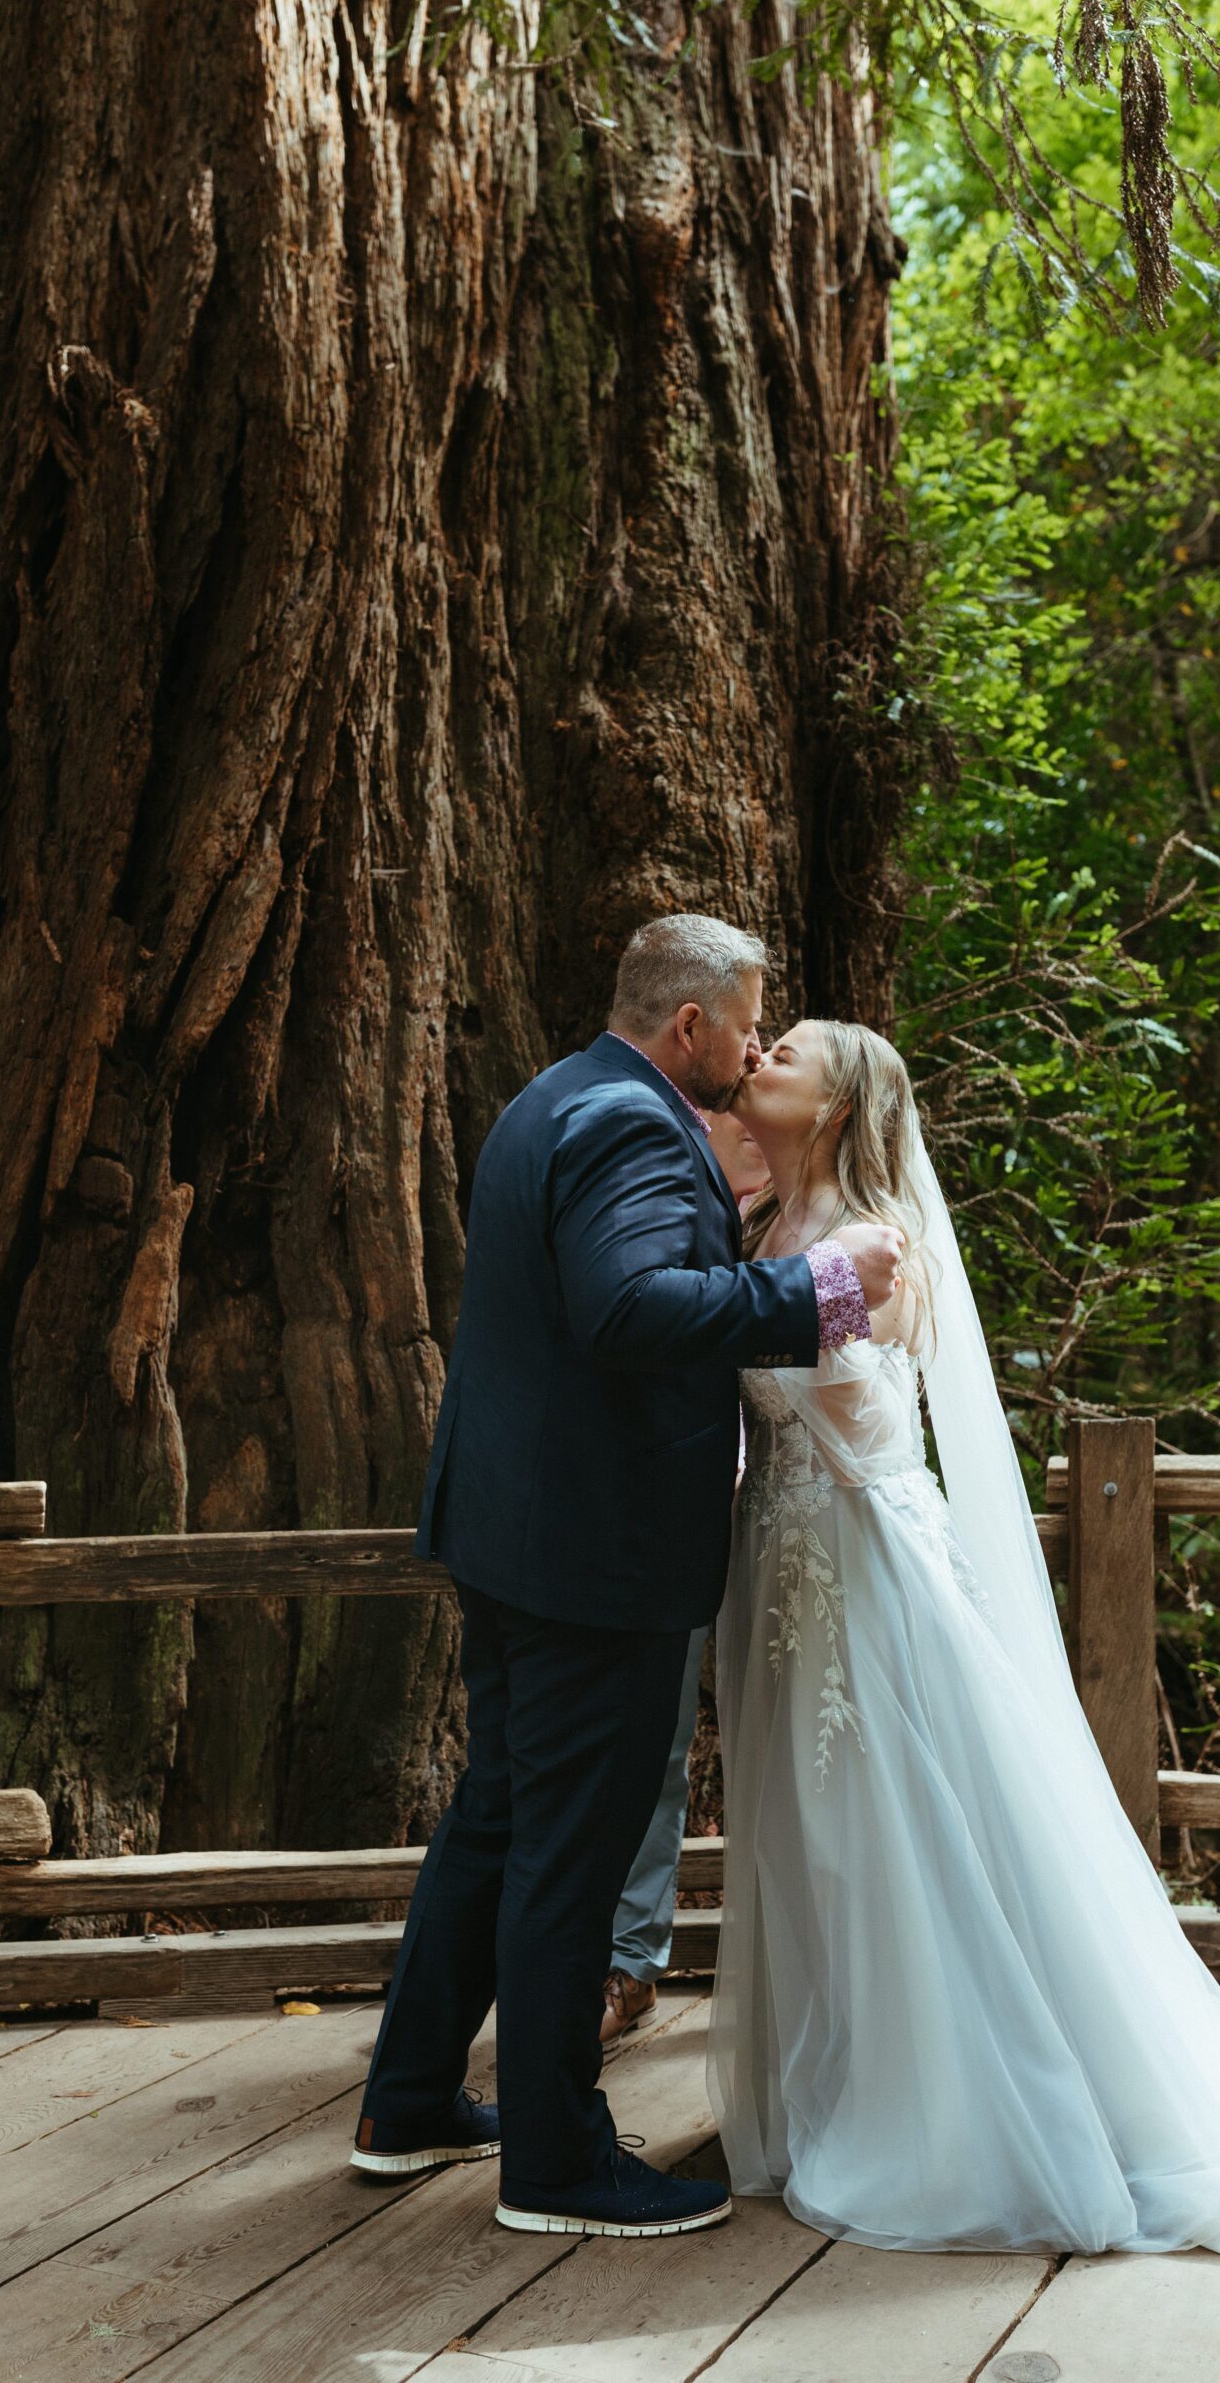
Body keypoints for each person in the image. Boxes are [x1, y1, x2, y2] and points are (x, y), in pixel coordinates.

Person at [711, 1016, 1220, 2300]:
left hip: (868, 1577)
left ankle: (943, 2114)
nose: (765, 1052)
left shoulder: (877, 1248)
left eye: (794, 1049)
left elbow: (868, 1416)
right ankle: (835, 2079)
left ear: (836, 1105)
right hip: (785, 1571)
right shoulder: (767, 1226)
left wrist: (776, 1353)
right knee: (809, 1830)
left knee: (885, 1830)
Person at [349, 919, 903, 2240]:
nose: (758, 1041)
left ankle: (409, 2099)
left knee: (497, 1816)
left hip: (517, 1534)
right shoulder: (636, 1127)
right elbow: (625, 1308)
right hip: (588, 1557)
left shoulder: (559, 1095)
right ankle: (556, 2160)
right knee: (566, 1853)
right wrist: (821, 1288)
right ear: (690, 1027)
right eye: (749, 1018)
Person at [599, 1112, 769, 2049]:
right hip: (667, 1535)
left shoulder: (824, 1238)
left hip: (796, 1534)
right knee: (651, 1746)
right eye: (724, 1115)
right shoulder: (670, 1216)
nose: (738, 1125)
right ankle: (626, 1964)